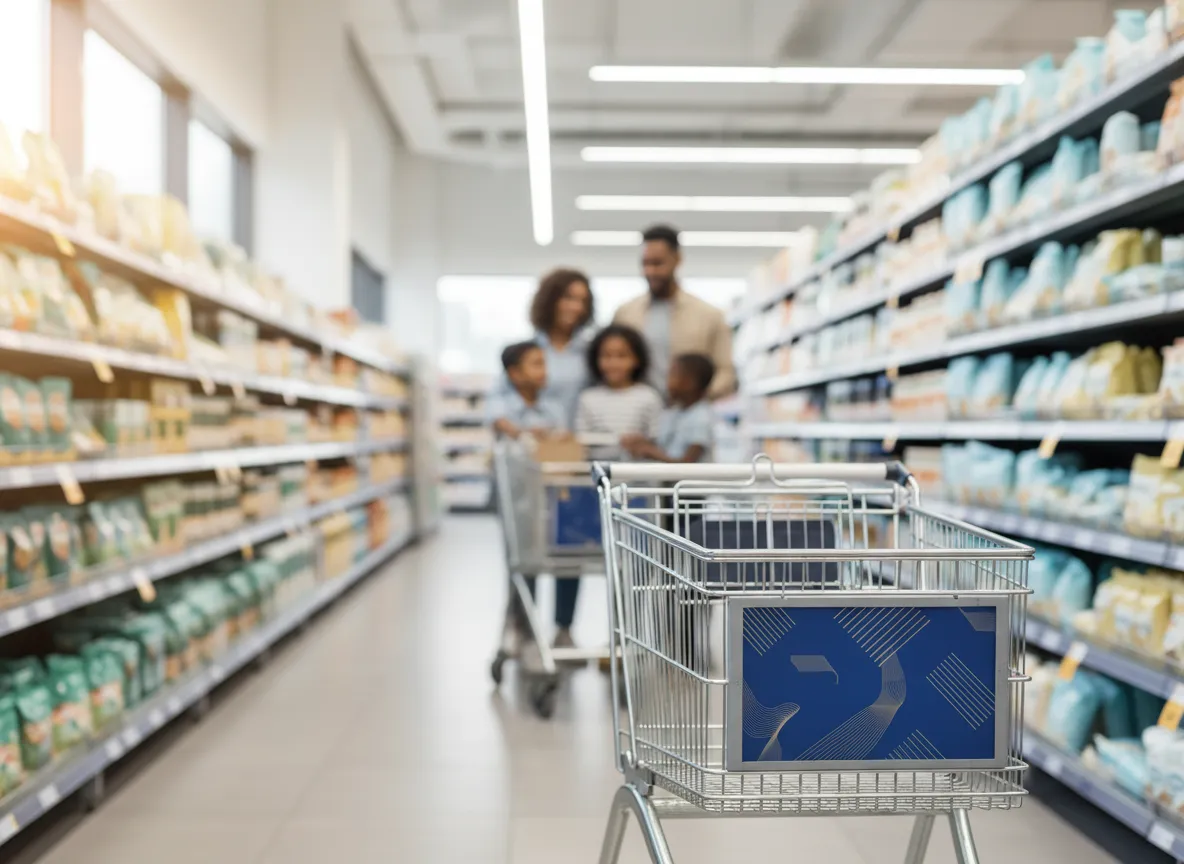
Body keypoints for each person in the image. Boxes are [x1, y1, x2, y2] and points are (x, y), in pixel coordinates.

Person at [488, 341, 576, 652]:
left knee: (567, 559)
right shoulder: (502, 402)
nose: (544, 371)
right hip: (517, 499)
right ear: (513, 373)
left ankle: (563, 627)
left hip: (553, 499)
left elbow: (563, 438)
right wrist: (527, 434)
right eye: (536, 364)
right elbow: (502, 424)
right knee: (523, 561)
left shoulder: (554, 408)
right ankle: (524, 623)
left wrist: (554, 437)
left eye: (544, 363)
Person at [613, 225, 736, 401]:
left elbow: (725, 372)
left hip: (688, 418)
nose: (650, 271)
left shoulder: (709, 316)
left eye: (657, 263)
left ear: (677, 260)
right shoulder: (625, 315)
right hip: (637, 417)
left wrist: (697, 399)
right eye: (645, 264)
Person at [486, 268, 594, 430]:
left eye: (582, 301)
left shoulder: (591, 353)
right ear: (550, 301)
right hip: (534, 444)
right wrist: (513, 429)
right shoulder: (528, 352)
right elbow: (498, 396)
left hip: (578, 444)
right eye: (569, 298)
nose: (577, 307)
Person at [575, 324, 664, 463]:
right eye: (606, 356)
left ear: (636, 359)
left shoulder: (648, 396)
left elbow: (657, 439)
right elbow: (582, 442)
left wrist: (641, 444)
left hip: (638, 477)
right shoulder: (588, 398)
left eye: (622, 356)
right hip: (598, 476)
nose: (613, 363)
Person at [621, 353, 715, 464]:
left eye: (673, 374)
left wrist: (650, 451)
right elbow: (665, 450)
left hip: (688, 481)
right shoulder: (673, 413)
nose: (667, 381)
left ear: (690, 382)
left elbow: (687, 463)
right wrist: (642, 443)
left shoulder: (701, 417)